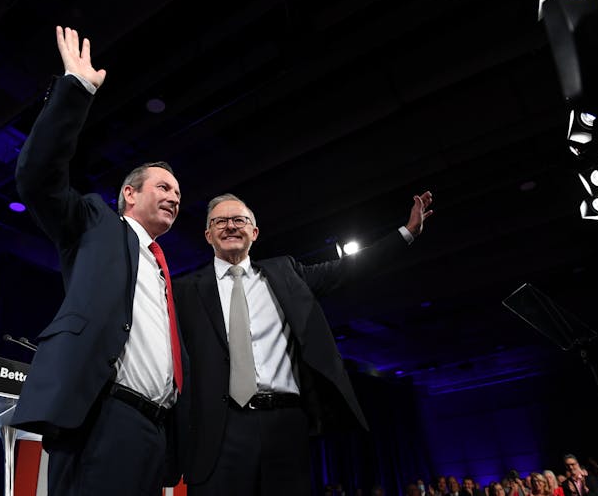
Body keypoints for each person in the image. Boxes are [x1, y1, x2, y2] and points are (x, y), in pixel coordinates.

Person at [10, 26, 189, 495]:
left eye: (177, 193)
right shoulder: (94, 221)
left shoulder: (163, 266)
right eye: (163, 187)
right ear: (128, 194)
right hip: (103, 417)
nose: (174, 197)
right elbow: (38, 177)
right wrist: (76, 90)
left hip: (156, 431)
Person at [174, 191, 433, 495]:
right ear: (208, 235)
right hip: (220, 428)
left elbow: (347, 269)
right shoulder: (183, 291)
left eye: (239, 220)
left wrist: (407, 233)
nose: (230, 226)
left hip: (285, 425)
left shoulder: (286, 272)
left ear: (254, 232)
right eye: (220, 221)